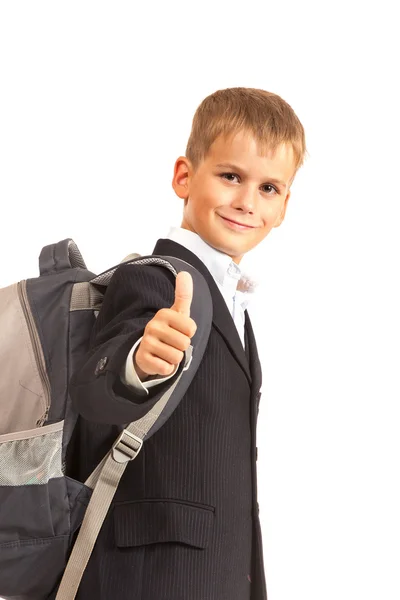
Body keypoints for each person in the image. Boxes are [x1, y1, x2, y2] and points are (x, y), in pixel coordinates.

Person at [70, 87, 307, 600]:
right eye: (230, 176)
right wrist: (139, 363)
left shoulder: (233, 303)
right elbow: (94, 391)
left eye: (269, 188)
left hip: (216, 574)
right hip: (153, 575)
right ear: (184, 176)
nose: (247, 201)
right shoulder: (156, 279)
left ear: (285, 205)